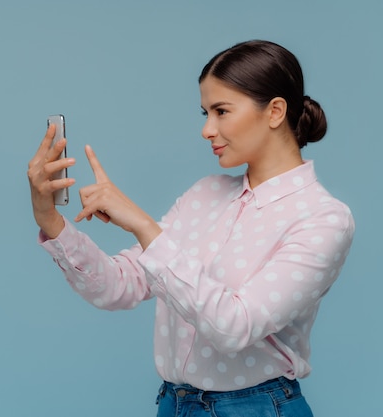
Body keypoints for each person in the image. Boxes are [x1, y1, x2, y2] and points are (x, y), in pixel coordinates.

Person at [28, 40, 355, 417]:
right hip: (174, 404)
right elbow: (119, 286)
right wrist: (48, 219)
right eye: (205, 112)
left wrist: (143, 226)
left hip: (256, 408)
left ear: (275, 111)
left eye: (221, 111)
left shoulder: (323, 218)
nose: (206, 129)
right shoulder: (205, 193)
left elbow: (234, 325)